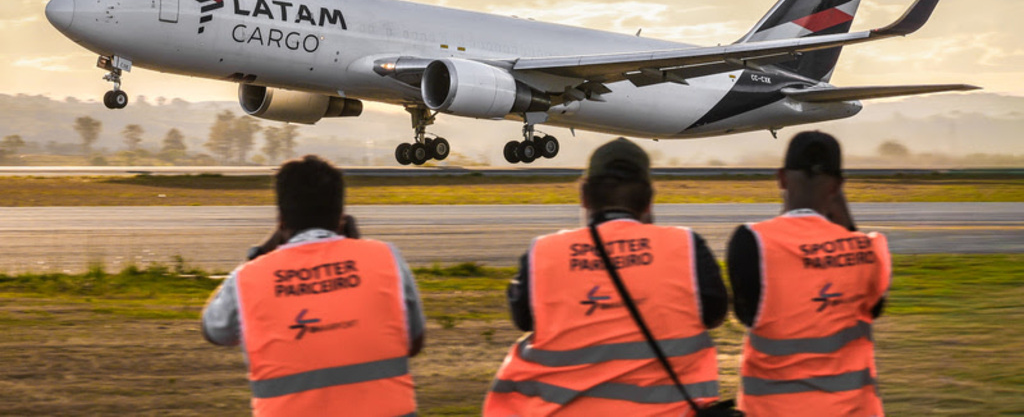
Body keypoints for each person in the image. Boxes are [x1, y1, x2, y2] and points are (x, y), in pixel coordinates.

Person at [484, 137, 728, 416]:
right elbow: (715, 314)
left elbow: (523, 318)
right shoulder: (685, 246)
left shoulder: (544, 253)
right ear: (649, 200)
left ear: (584, 197)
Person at [201, 154, 425, 416]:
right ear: (342, 218)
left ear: (281, 221)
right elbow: (413, 342)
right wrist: (356, 253)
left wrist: (261, 253)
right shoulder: (385, 259)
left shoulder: (249, 278)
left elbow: (214, 330)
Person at [727, 131, 891, 416]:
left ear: (781, 178)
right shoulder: (869, 249)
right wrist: (844, 220)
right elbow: (874, 308)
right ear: (837, 186)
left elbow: (747, 316)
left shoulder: (752, 241)